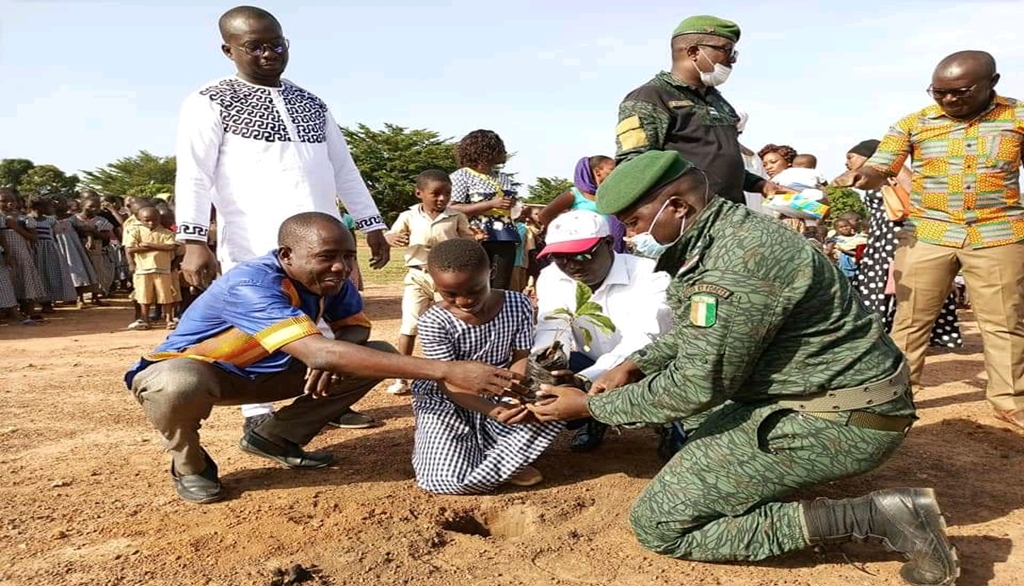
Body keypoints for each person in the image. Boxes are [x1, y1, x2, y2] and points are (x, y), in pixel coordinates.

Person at [529, 151, 957, 585]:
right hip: (828, 394)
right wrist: (637, 363)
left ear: (677, 208)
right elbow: (704, 332)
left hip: (839, 418)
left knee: (660, 523)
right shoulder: (728, 234)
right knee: (695, 427)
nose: (631, 236)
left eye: (635, 223)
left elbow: (694, 386)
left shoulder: (732, 267)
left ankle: (877, 516)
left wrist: (589, 407)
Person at [125, 212, 522, 504]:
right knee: (175, 384)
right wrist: (446, 370)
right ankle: (189, 464)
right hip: (207, 373)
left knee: (372, 355)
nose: (342, 266)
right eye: (328, 256)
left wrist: (324, 357)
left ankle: (275, 437)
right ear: (287, 254)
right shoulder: (250, 284)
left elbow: (356, 328)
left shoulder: (330, 279)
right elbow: (319, 348)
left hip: (275, 368)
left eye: (348, 256)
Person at [173, 6, 391, 432]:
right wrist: (194, 239)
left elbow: (343, 168)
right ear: (228, 50)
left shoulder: (311, 102)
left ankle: (327, 402)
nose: (269, 53)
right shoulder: (207, 101)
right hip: (253, 238)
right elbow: (194, 172)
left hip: (324, 238)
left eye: (277, 43)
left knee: (329, 319)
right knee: (258, 326)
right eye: (255, 46)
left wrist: (369, 223)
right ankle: (257, 413)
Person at [836, 50, 1024, 430]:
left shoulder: (1018, 117)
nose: (949, 100)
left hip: (998, 233)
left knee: (1005, 323)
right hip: (928, 233)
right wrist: (864, 177)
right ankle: (895, 398)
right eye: (939, 92)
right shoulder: (914, 123)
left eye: (960, 92)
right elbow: (881, 164)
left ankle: (1009, 403)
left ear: (993, 83)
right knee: (909, 322)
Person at [411, 239, 562, 494]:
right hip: (450, 397)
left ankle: (499, 458)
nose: (464, 300)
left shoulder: (518, 304)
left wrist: (514, 399)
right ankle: (503, 460)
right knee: (445, 480)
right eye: (450, 294)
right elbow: (446, 380)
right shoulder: (433, 322)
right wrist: (491, 410)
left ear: (491, 272)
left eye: (474, 290)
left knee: (548, 403)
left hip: (503, 388)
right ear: (435, 285)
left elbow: (520, 357)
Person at [533, 210, 672, 451]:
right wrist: (548, 368)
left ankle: (671, 424)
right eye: (560, 257)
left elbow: (644, 338)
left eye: (582, 254)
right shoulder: (551, 277)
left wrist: (586, 380)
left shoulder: (651, 274)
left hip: (650, 365)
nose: (572, 265)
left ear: (608, 244)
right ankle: (594, 419)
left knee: (667, 377)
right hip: (591, 360)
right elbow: (553, 326)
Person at [614, 15, 785, 205]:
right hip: (689, 218)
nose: (732, 60)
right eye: (727, 50)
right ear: (694, 52)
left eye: (734, 53)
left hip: (731, 211)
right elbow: (633, 166)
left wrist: (761, 185)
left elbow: (719, 163)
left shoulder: (718, 101)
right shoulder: (650, 98)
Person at [843, 140, 963, 350]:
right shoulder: (873, 177)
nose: (847, 163)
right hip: (881, 239)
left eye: (850, 157)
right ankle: (882, 335)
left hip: (896, 237)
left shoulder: (893, 169)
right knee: (881, 286)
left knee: (899, 286)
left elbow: (918, 194)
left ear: (869, 156)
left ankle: (895, 336)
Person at [383, 170, 474, 396]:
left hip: (448, 277)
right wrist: (391, 238)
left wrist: (474, 242)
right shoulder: (409, 217)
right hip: (417, 276)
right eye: (436, 194)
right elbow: (390, 236)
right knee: (409, 324)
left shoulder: (456, 217)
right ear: (419, 193)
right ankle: (401, 378)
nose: (442, 198)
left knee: (455, 322)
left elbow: (470, 241)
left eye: (447, 194)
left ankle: (458, 373)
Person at [448, 129, 520, 289]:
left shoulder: (502, 178)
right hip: (476, 238)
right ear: (485, 150)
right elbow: (452, 208)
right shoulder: (461, 176)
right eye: (500, 148)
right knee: (475, 284)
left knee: (500, 286)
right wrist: (490, 204)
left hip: (504, 238)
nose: (505, 152)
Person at [538, 156, 627, 253]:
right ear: (597, 172)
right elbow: (544, 215)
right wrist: (564, 234)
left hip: (610, 247)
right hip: (584, 249)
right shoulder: (574, 194)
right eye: (612, 170)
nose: (617, 173)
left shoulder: (613, 194)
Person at [123, 207, 181, 331]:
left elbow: (171, 247)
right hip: (143, 269)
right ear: (139, 220)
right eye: (147, 220)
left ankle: (169, 320)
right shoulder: (135, 231)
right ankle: (144, 319)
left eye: (154, 220)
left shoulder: (166, 232)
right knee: (144, 296)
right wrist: (160, 247)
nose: (151, 223)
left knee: (166, 296)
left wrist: (148, 245)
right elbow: (130, 249)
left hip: (163, 269)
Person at [0, 188, 47, 320]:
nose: (9, 204)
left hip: (21, 255)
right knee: (7, 283)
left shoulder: (23, 219)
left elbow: (34, 237)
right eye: (4, 201)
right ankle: (8, 310)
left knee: (26, 281)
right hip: (4, 256)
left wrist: (16, 228)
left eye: (12, 201)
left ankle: (30, 310)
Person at [26, 197, 77, 312]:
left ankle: (48, 303)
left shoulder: (50, 220)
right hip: (35, 251)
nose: (52, 208)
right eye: (49, 206)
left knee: (50, 275)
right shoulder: (28, 220)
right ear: (39, 208)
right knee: (38, 276)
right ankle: (35, 303)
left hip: (50, 252)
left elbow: (57, 233)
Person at [51, 195, 102, 307]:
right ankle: (58, 299)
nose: (63, 205)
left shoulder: (72, 218)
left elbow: (85, 229)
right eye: (59, 203)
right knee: (59, 272)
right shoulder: (49, 219)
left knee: (78, 272)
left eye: (65, 203)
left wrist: (89, 239)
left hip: (73, 249)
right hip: (55, 248)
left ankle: (80, 299)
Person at [71, 196, 117, 298]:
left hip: (96, 251)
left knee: (97, 272)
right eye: (91, 206)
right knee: (80, 273)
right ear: (82, 206)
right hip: (77, 251)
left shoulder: (101, 220)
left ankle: (96, 296)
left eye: (97, 207)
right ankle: (80, 298)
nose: (94, 209)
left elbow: (105, 237)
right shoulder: (73, 220)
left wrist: (92, 231)